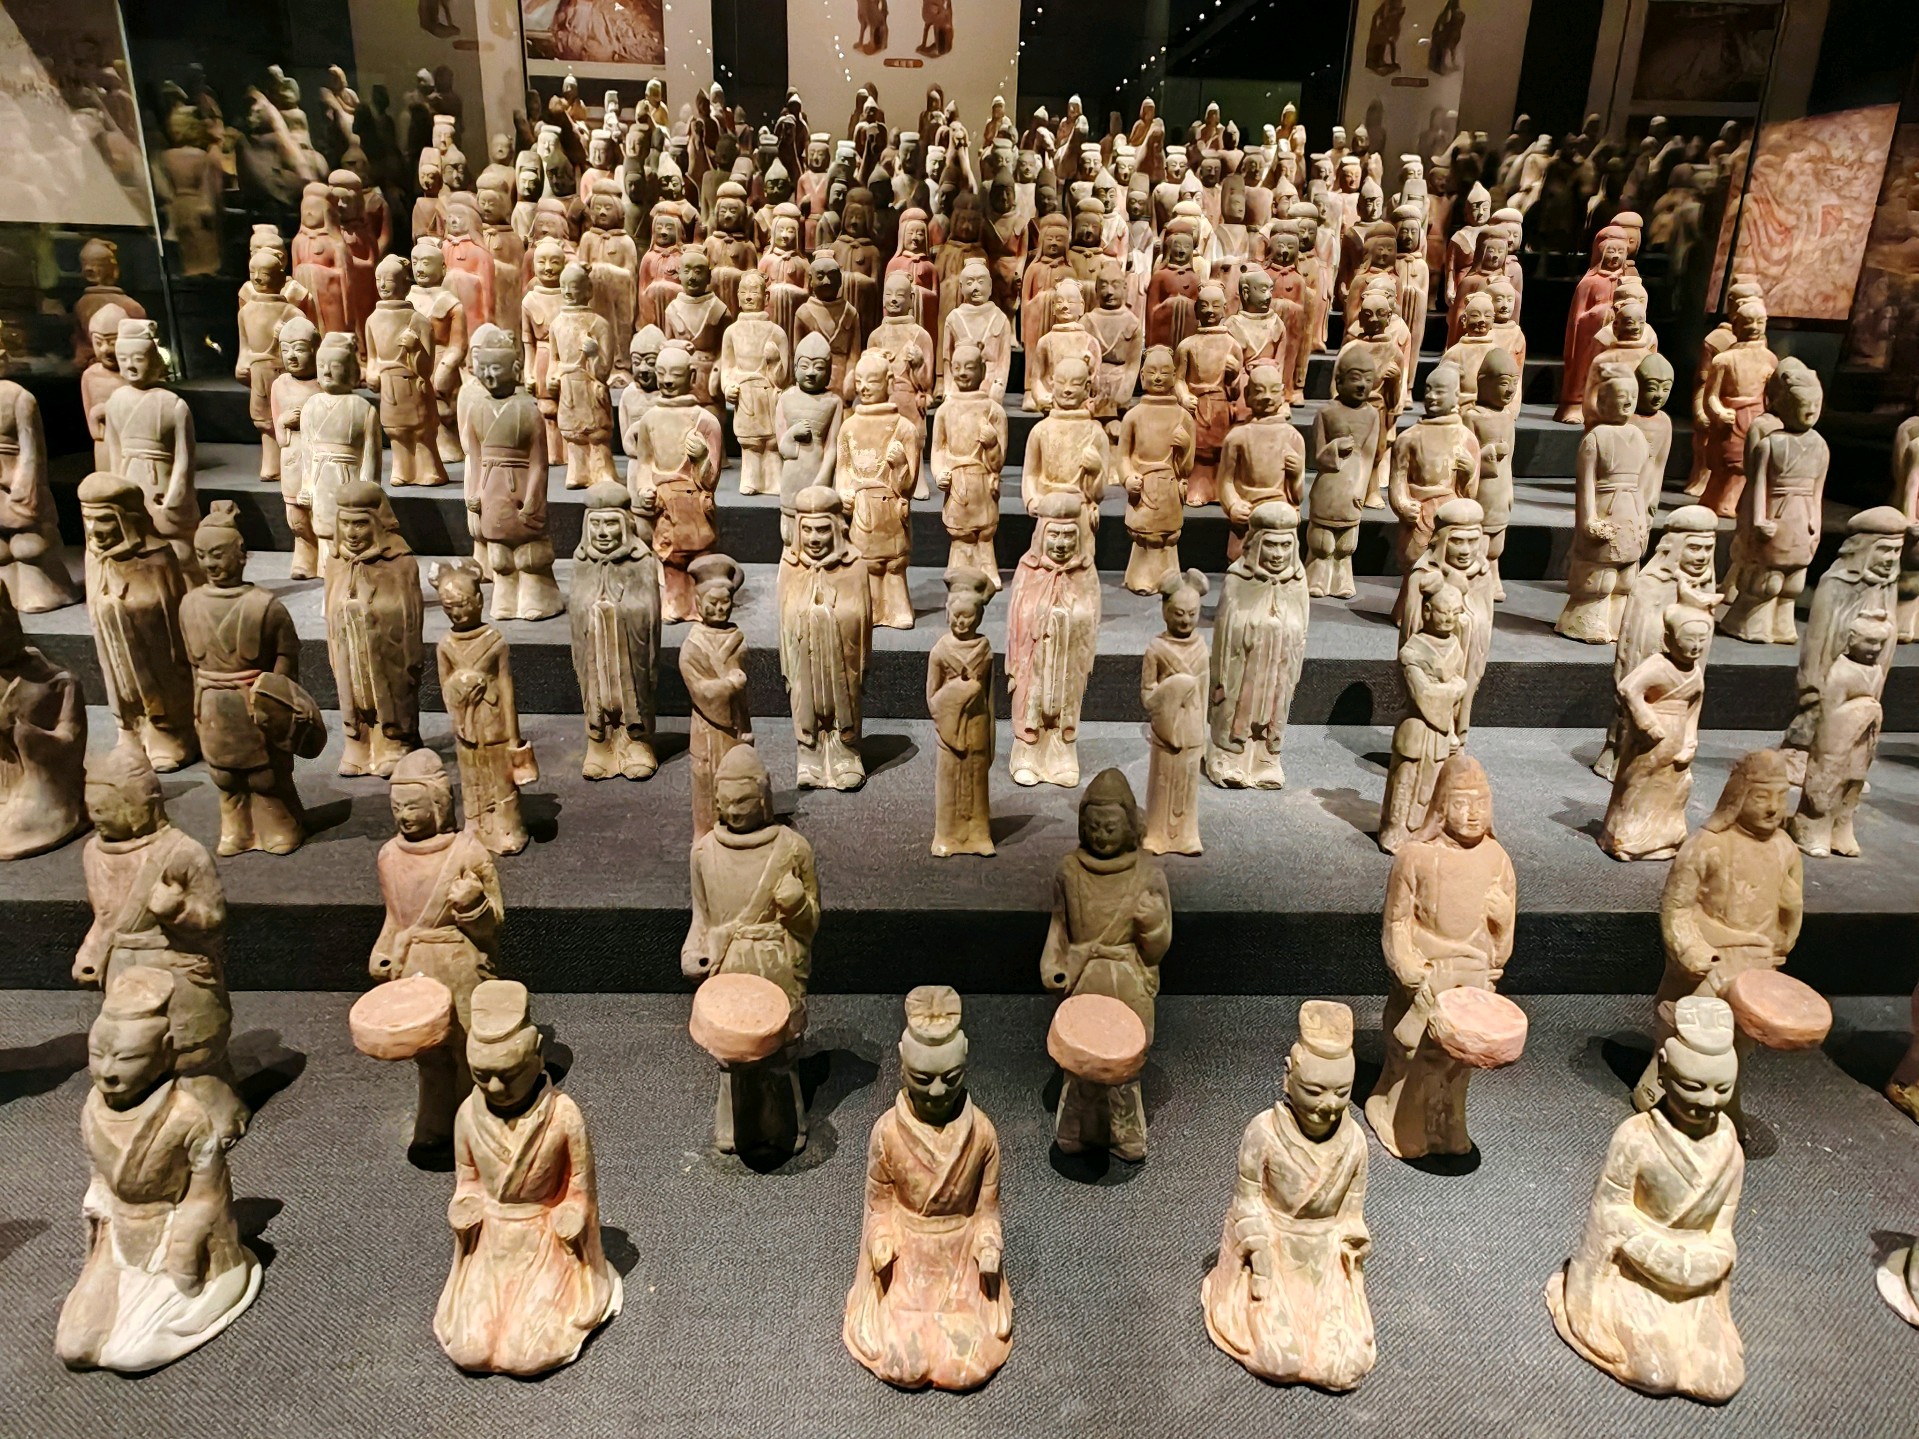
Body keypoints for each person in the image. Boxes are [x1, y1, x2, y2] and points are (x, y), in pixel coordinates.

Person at [434, 981, 621, 1374]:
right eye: (483, 1075)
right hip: (493, 1243)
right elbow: (468, 1183)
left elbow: (580, 1188)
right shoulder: (467, 1116)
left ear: (537, 1056)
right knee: (470, 1349)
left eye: (509, 1074)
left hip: (545, 1240)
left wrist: (572, 1215)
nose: (496, 1087)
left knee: (527, 1354)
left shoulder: (563, 1116)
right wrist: (464, 1208)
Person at [844, 986, 1012, 1391]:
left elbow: (987, 1210)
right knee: (904, 1363)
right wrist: (881, 1240)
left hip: (959, 1256)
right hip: (908, 1254)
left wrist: (988, 1246)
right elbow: (879, 1204)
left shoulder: (982, 1133)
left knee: (965, 1368)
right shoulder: (887, 1132)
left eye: (950, 1079)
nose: (937, 1091)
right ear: (903, 1068)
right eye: (923, 1079)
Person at [1201, 1000, 1374, 1391]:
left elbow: (1352, 1215)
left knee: (1342, 1367)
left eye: (1342, 1092)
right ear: (1287, 1077)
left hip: (1323, 1260)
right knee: (1280, 1359)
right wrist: (1260, 1252)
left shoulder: (1354, 1144)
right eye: (1314, 1091)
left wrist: (1352, 1240)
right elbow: (1247, 1202)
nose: (1328, 1105)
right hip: (1274, 1247)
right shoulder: (1263, 1133)